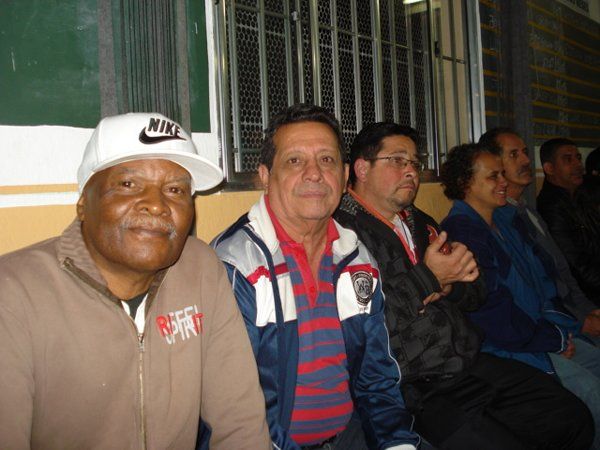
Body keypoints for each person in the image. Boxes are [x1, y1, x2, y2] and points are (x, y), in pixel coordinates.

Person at [0, 113, 271, 449]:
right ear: (83, 203)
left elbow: (240, 422)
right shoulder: (13, 293)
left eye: (175, 190)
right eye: (128, 184)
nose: (157, 205)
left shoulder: (200, 268)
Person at [334, 122, 594, 450]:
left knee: (571, 417)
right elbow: (362, 326)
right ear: (362, 168)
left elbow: (478, 293)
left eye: (414, 162)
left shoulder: (420, 222)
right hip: (415, 383)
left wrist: (452, 287)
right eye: (398, 160)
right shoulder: (343, 235)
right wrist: (430, 278)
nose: (411, 171)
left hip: (470, 360)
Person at [212, 105, 420, 450]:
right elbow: (233, 408)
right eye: (295, 161)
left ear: (344, 174)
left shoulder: (356, 258)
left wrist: (397, 443)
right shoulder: (235, 265)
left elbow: (376, 377)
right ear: (265, 175)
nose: (314, 174)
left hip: (350, 433)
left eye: (326, 160)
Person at [440, 142, 597, 449]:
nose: (503, 182)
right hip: (508, 348)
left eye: (502, 173)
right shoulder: (464, 232)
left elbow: (542, 283)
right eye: (493, 176)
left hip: (541, 330)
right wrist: (552, 339)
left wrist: (562, 329)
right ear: (465, 182)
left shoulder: (503, 222)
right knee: (591, 399)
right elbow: (491, 314)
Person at [479, 128, 600, 344]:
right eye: (514, 155)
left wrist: (589, 310)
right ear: (493, 165)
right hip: (551, 326)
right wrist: (581, 320)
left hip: (570, 313)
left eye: (525, 152)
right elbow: (533, 291)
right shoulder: (496, 221)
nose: (526, 160)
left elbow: (562, 271)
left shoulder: (528, 211)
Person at [537, 138, 600, 305]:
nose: (578, 165)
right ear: (549, 168)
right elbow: (575, 265)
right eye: (568, 159)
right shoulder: (551, 207)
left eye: (578, 158)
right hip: (584, 298)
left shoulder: (579, 196)